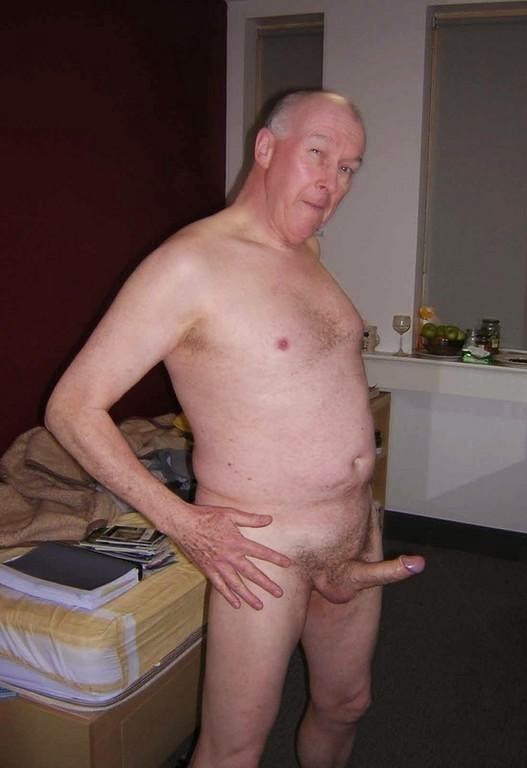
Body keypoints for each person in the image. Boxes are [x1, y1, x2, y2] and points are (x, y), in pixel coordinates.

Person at [46, 89, 425, 768]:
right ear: (266, 148)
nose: (333, 181)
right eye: (318, 154)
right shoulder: (189, 265)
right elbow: (72, 407)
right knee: (233, 750)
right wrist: (183, 523)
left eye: (348, 167)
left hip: (352, 529)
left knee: (346, 705)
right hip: (264, 553)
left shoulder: (310, 252)